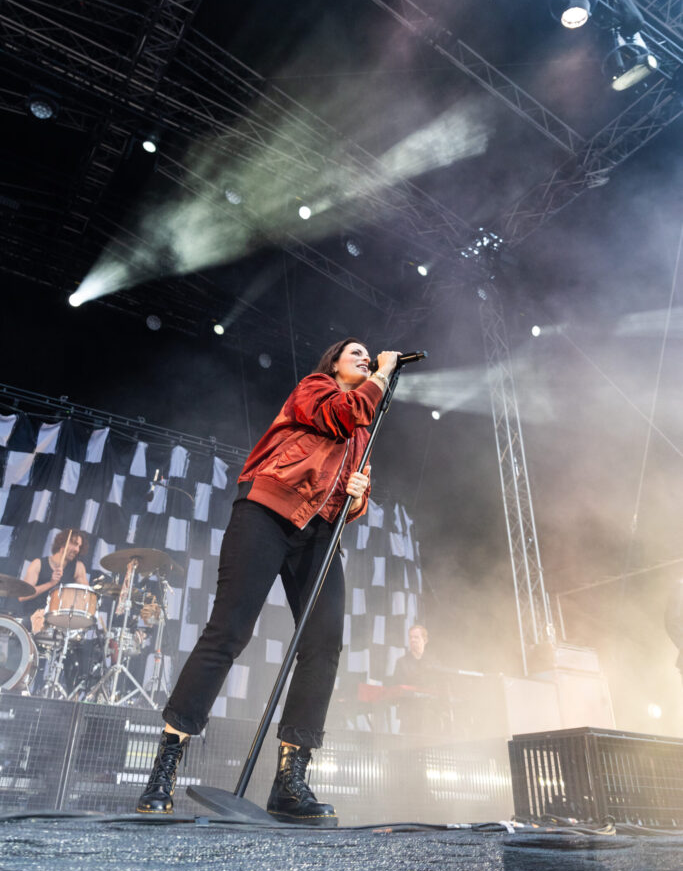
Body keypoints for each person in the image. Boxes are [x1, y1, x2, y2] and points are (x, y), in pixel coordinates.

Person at [136, 339, 400, 824]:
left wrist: (359, 497)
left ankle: (289, 782)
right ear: (334, 363)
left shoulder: (364, 429)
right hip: (268, 510)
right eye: (356, 354)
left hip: (319, 533)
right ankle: (164, 770)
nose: (366, 359)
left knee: (324, 644)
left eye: (370, 357)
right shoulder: (316, 389)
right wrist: (381, 375)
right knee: (229, 633)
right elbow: (342, 415)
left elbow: (346, 497)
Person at [18, 529, 90, 633]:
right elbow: (22, 596)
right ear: (62, 543)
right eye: (74, 544)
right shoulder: (38, 563)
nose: (77, 549)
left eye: (79, 546)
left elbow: (86, 596)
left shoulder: (78, 567)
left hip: (59, 621)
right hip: (32, 617)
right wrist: (50, 583)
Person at [391, 624, 440, 734]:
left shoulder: (433, 663)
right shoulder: (401, 662)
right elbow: (396, 686)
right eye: (410, 637)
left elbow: (437, 686)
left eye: (416, 637)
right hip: (409, 712)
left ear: (425, 640)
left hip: (429, 712)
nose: (412, 640)